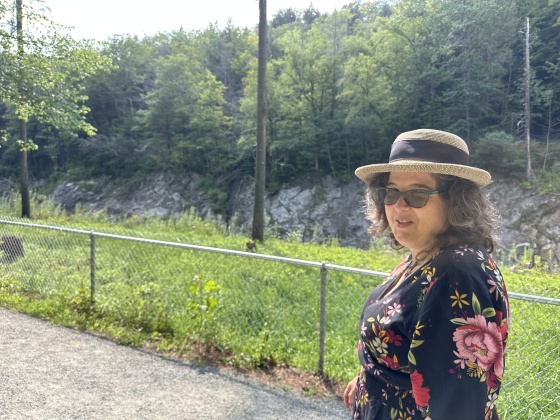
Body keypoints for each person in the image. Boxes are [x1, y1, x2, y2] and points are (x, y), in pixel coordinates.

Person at [343, 129, 510, 420]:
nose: (399, 206)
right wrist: (370, 377)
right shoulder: (425, 255)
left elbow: (458, 405)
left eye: (418, 194)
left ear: (456, 201)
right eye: (391, 192)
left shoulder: (457, 274)